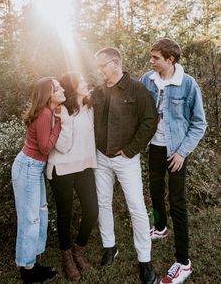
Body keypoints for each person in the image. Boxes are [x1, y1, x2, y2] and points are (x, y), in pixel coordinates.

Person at [140, 38, 207, 284]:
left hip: (176, 152)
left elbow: (199, 123)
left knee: (177, 203)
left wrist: (182, 153)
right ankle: (160, 228)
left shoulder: (188, 85)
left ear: (170, 59)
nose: (151, 61)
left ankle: (183, 263)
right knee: (155, 191)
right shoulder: (147, 79)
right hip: (154, 148)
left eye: (156, 58)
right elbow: (138, 107)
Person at [92, 47, 158, 284]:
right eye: (97, 67)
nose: (99, 71)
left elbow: (150, 121)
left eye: (102, 66)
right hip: (101, 157)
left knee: (137, 207)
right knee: (102, 202)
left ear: (116, 63)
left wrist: (130, 150)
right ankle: (110, 247)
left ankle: (145, 259)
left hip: (126, 159)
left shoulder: (137, 89)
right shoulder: (98, 92)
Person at [11, 77, 66, 284]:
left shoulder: (49, 112)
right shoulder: (45, 114)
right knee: (30, 220)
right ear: (48, 95)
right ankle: (28, 273)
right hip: (27, 169)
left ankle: (31, 263)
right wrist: (59, 123)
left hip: (34, 168)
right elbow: (45, 147)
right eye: (57, 89)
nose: (62, 90)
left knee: (40, 215)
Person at [46, 71, 98, 281]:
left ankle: (79, 249)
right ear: (72, 87)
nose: (86, 83)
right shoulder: (59, 112)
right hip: (62, 168)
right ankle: (67, 257)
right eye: (81, 81)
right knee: (64, 214)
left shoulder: (89, 106)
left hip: (84, 166)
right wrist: (65, 122)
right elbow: (63, 146)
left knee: (92, 210)